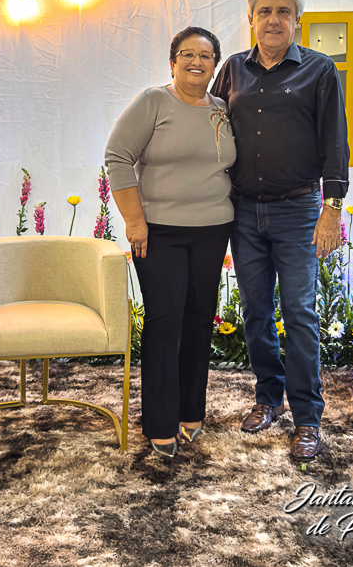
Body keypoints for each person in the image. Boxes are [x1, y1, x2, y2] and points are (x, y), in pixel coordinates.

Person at [211, 0, 349, 462]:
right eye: (265, 11)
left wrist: (331, 210)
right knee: (255, 311)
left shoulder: (319, 70)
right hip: (243, 212)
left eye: (283, 12)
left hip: (298, 211)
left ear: (297, 20)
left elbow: (335, 142)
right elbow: (208, 127)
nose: (273, 20)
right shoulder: (232, 69)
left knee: (300, 314)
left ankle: (308, 418)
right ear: (250, 18)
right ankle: (268, 399)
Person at [105, 27, 236, 459]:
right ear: (172, 61)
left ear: (215, 64)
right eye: (187, 54)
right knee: (165, 323)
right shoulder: (153, 102)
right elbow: (117, 157)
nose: (196, 62)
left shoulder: (221, 109)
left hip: (213, 229)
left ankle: (190, 411)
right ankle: (160, 421)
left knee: (199, 320)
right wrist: (134, 220)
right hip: (158, 232)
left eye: (206, 56)